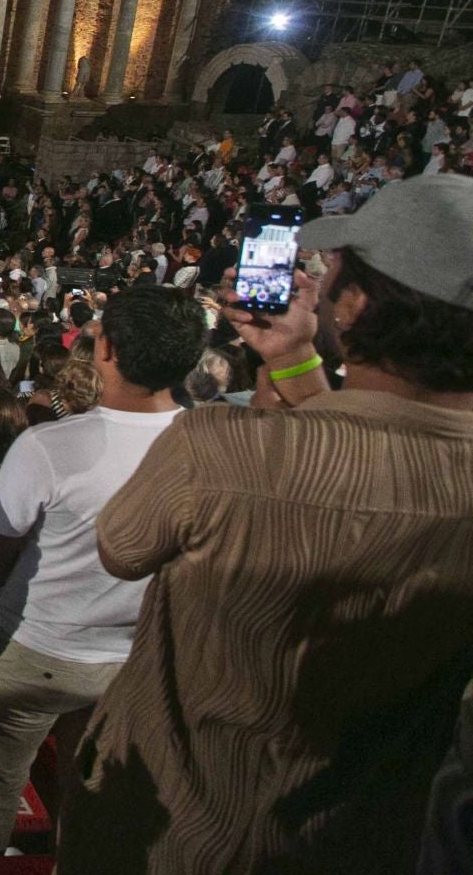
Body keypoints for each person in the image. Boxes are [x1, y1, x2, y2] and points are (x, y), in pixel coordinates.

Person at [61, 174, 473, 872]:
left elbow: (123, 547)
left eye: (331, 266)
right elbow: (375, 458)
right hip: (357, 841)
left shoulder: (219, 448)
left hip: (166, 825)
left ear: (360, 304)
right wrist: (293, 362)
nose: (316, 276)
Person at [0, 286, 207, 857]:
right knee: (84, 802)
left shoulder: (50, 445)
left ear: (106, 349)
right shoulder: (214, 445)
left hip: (30, 649)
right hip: (134, 657)